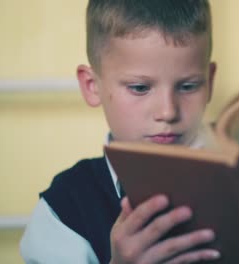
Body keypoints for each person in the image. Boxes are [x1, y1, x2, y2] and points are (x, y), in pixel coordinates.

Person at [20, 0, 220, 263]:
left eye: (188, 86)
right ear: (92, 86)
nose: (168, 111)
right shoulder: (64, 208)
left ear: (210, 80)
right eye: (139, 88)